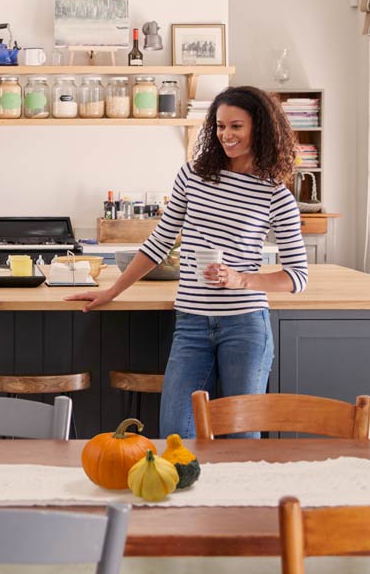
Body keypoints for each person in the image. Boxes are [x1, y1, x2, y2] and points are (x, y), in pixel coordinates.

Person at [66, 85, 308, 438]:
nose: (226, 135)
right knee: (177, 435)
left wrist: (241, 279)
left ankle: (238, 496)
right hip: (192, 324)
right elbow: (160, 242)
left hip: (245, 327)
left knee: (242, 437)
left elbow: (296, 276)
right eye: (221, 126)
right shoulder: (193, 175)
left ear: (260, 127)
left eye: (236, 126)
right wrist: (112, 291)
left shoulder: (275, 194)